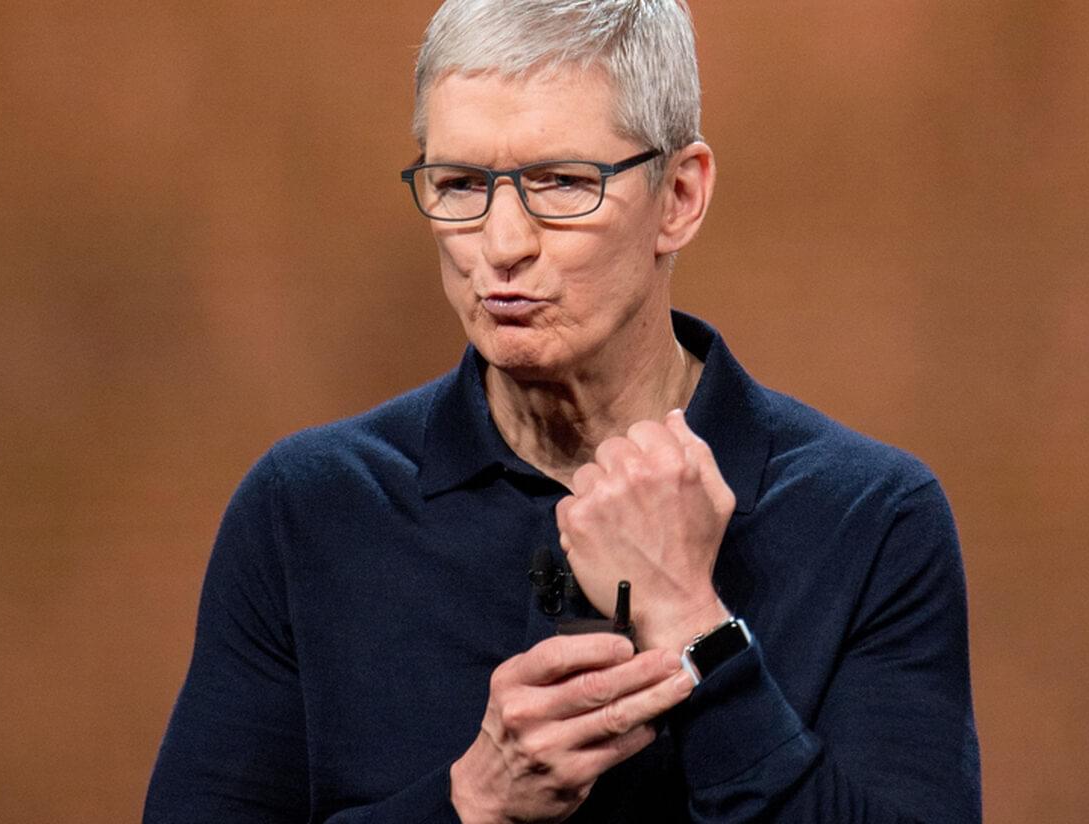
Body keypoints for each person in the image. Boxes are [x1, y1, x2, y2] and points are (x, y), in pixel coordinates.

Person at [143, 1, 981, 821]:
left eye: (561, 183)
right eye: (461, 184)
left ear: (679, 197)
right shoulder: (308, 509)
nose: (502, 244)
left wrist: (697, 628)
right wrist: (470, 802)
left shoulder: (871, 518)